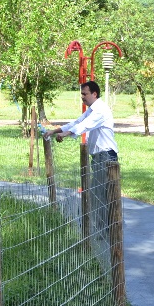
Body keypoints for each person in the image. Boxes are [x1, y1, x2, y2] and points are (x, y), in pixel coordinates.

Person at [48, 81, 118, 232]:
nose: (83, 97)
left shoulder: (100, 110)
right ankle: (102, 229)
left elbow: (85, 125)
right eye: (81, 94)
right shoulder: (92, 110)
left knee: (99, 195)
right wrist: (54, 131)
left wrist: (66, 134)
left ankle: (103, 231)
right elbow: (78, 121)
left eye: (85, 94)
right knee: (97, 195)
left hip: (105, 156)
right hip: (99, 157)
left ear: (94, 94)